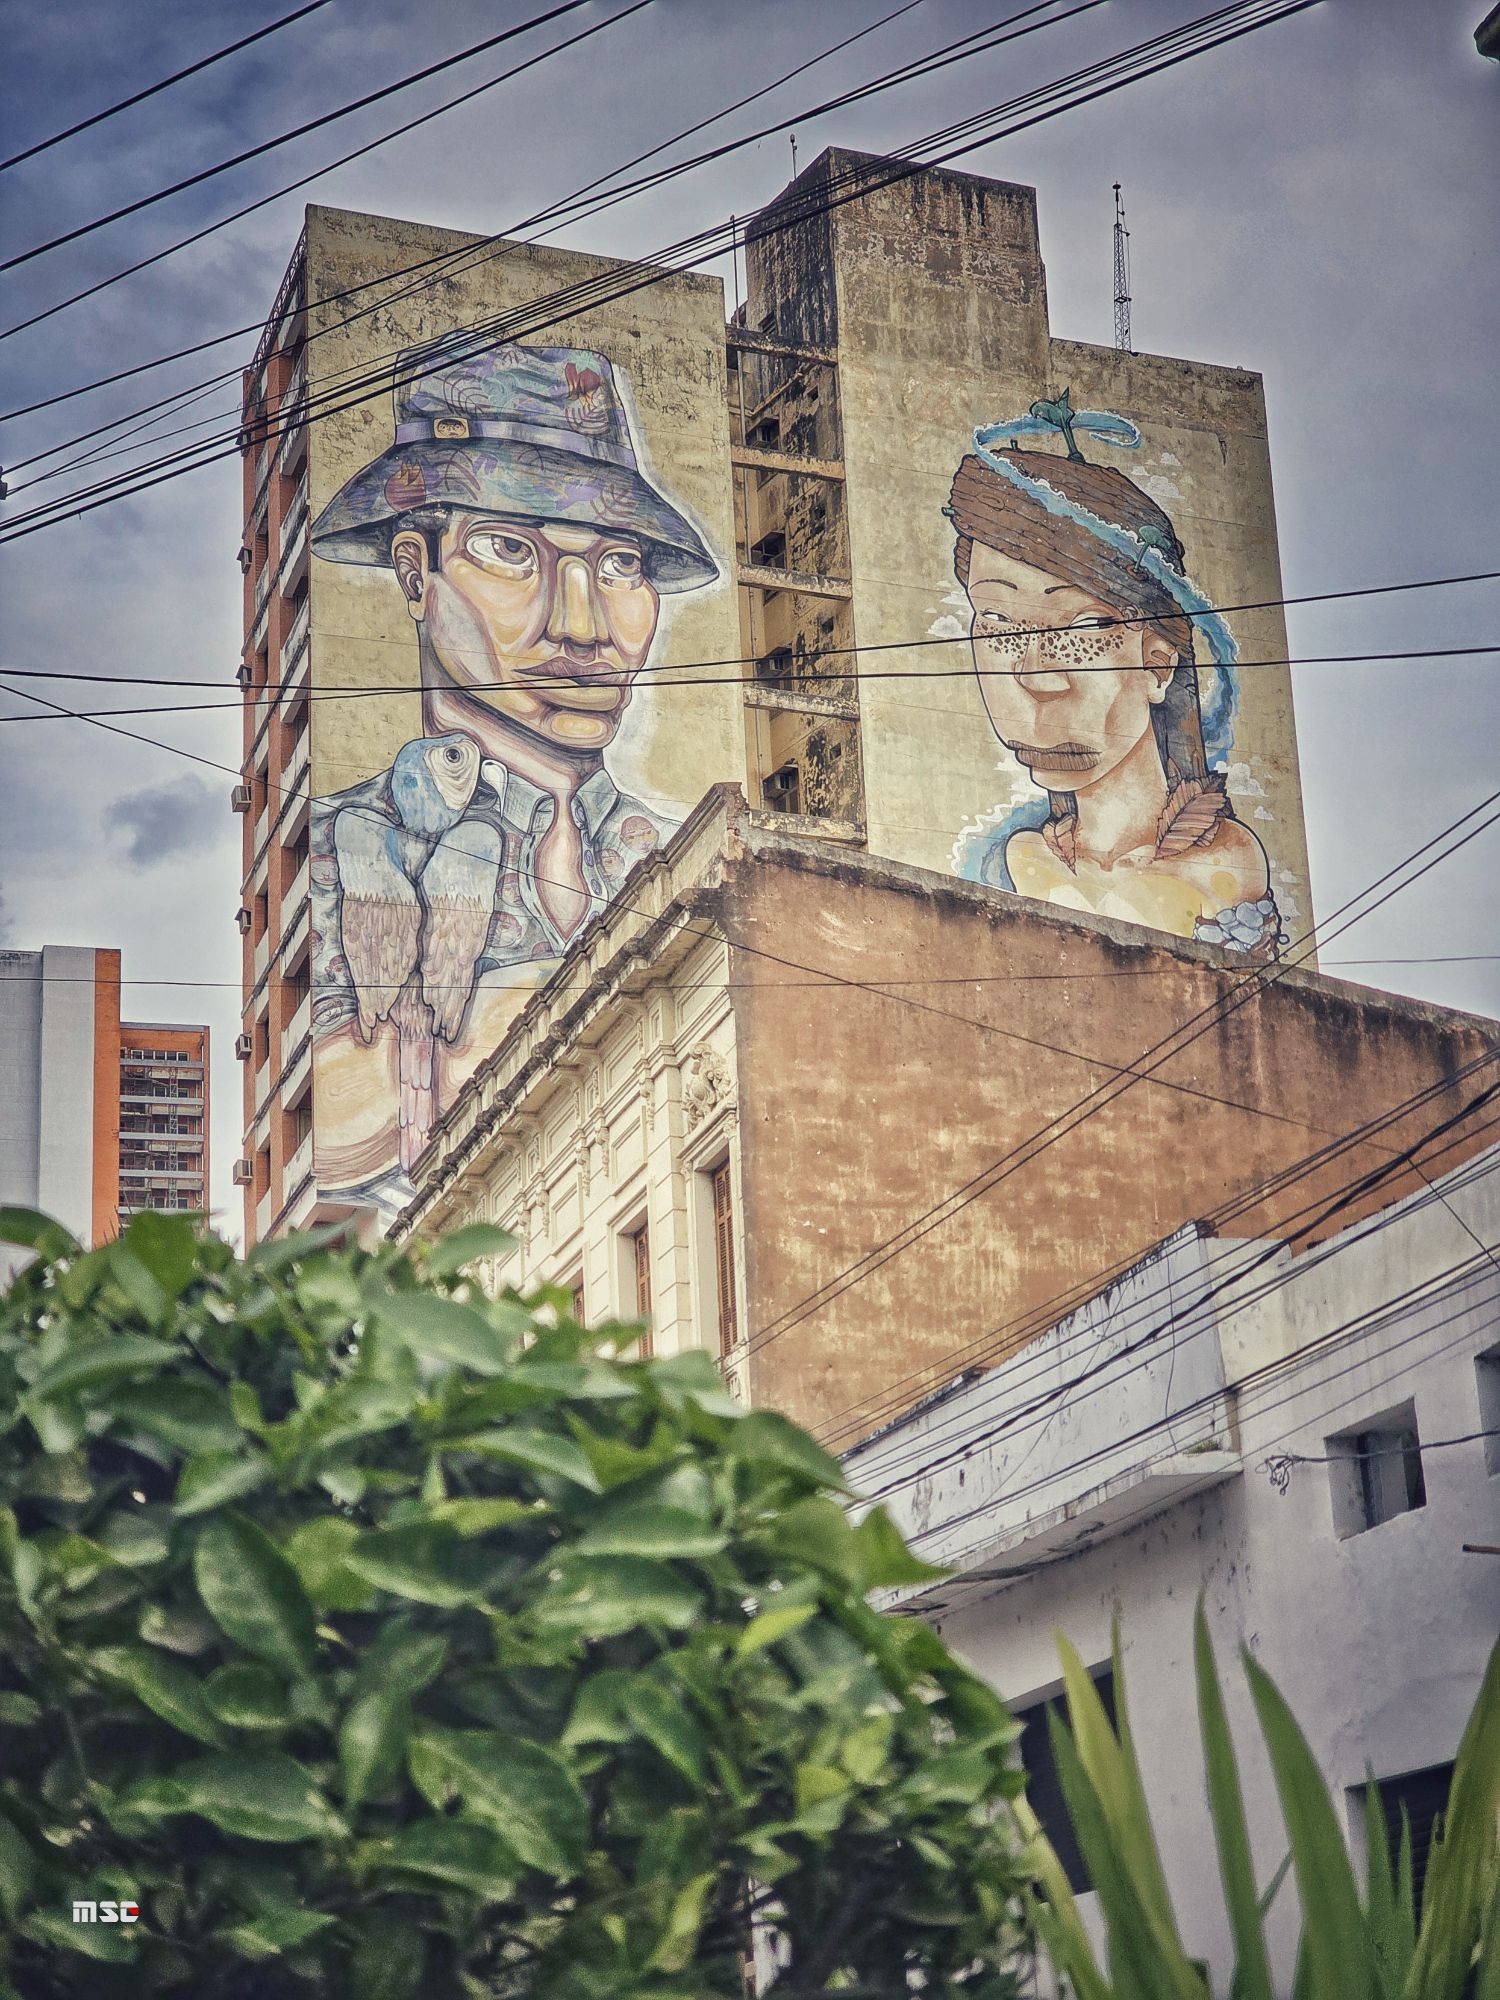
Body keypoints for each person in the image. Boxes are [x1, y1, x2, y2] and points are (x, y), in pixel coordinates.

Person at [306, 336, 719, 1216]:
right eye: (508, 549)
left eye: (621, 565)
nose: (583, 625)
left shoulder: (687, 857)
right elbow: (339, 1158)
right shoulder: (339, 847)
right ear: (414, 572)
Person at [947, 396, 1279, 953]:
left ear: (1157, 664)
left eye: (1086, 626)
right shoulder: (1010, 860)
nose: (1037, 676)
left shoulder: (1223, 865)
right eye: (998, 621)